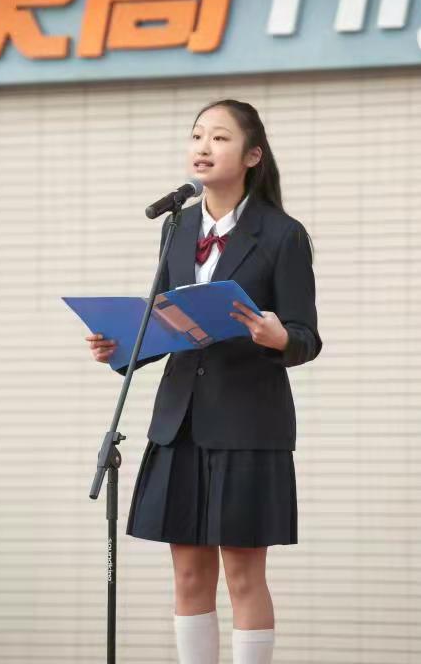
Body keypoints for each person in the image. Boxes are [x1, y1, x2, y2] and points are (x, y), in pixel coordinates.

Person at [85, 98, 322, 664]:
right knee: (189, 574)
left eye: (219, 138)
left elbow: (306, 336)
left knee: (243, 575)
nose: (203, 147)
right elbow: (172, 322)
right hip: (181, 421)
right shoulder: (179, 226)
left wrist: (278, 337)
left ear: (252, 156)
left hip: (248, 424)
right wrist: (122, 348)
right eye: (197, 136)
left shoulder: (283, 234)